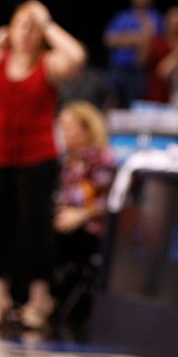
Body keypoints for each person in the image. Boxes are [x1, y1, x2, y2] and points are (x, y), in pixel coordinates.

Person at [0, 0, 86, 330]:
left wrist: (47, 22)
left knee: (34, 228)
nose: (26, 33)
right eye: (20, 26)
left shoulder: (48, 64)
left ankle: (40, 299)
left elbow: (77, 57)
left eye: (32, 28)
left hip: (36, 157)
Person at [51, 99, 117, 334]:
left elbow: (111, 200)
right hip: (64, 223)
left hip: (92, 227)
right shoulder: (66, 161)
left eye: (69, 127)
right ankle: (39, 300)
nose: (63, 134)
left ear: (87, 129)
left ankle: (47, 302)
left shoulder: (103, 159)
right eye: (61, 127)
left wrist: (81, 214)